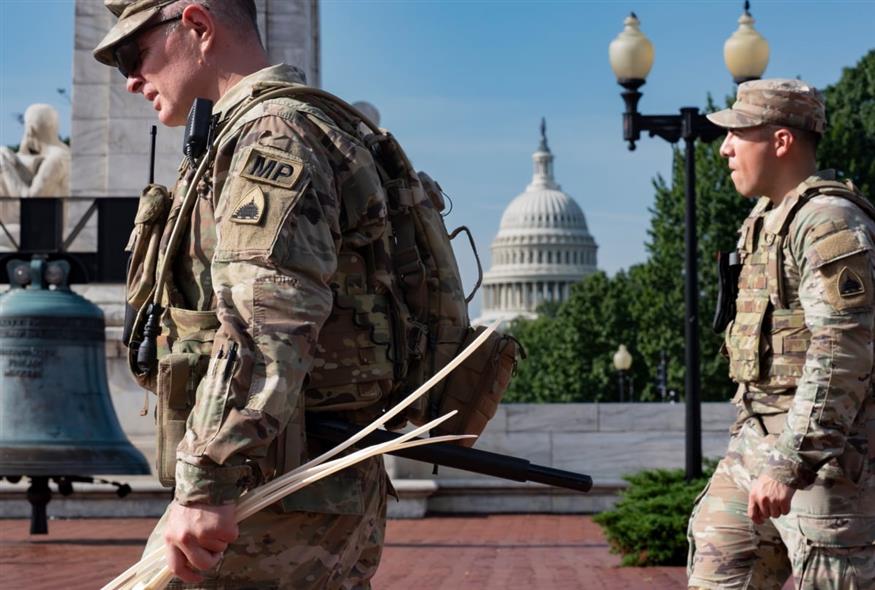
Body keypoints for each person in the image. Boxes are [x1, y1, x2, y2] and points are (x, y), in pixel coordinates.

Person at [93, 1, 392, 587]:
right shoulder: (272, 129)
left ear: (198, 28)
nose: (130, 80)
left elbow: (266, 320)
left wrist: (207, 483)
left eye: (135, 54)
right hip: (290, 483)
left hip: (272, 491)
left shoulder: (271, 135)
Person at [687, 78, 875, 589]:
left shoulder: (828, 221)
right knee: (717, 563)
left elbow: (843, 350)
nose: (725, 147)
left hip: (829, 464)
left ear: (781, 140)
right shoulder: (765, 220)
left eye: (738, 133)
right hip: (756, 445)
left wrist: (792, 461)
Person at [0, 103, 70, 197]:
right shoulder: (65, 151)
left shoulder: (56, 159)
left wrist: (5, 166)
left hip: (53, 211)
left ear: (29, 129)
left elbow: (31, 198)